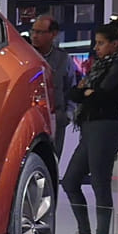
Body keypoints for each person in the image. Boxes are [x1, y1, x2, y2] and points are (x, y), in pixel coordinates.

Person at [60, 18, 118, 234]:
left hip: (105, 128)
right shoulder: (98, 68)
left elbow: (99, 96)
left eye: (101, 43)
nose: (96, 47)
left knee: (100, 183)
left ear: (114, 44)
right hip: (89, 128)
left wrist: (87, 92)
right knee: (70, 181)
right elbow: (76, 93)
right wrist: (87, 92)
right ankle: (84, 232)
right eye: (96, 43)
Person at [29, 15, 73, 157]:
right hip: (31, 119)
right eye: (33, 31)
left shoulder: (63, 59)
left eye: (40, 32)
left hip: (56, 118)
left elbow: (71, 88)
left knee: (53, 158)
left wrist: (68, 115)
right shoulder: (26, 56)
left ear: (53, 34)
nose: (34, 36)